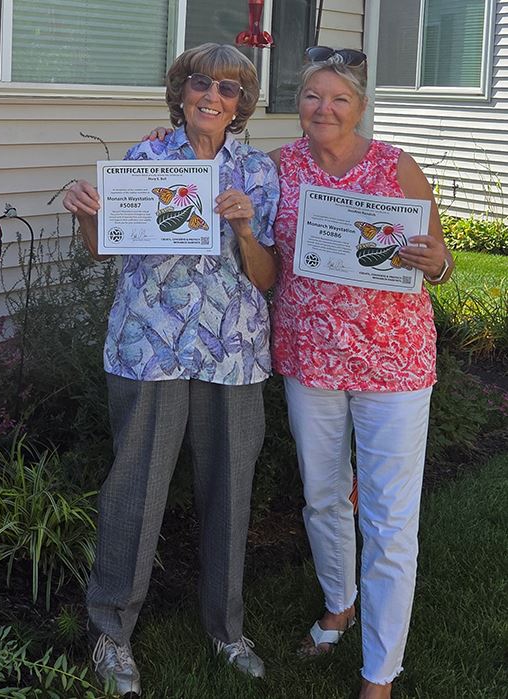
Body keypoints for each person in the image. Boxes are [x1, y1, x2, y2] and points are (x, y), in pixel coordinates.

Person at [144, 45, 453, 698]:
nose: (324, 107)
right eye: (313, 95)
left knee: (391, 520)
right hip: (310, 359)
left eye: (339, 97)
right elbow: (269, 262)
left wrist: (437, 265)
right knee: (322, 497)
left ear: (360, 107)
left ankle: (379, 673)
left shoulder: (396, 167)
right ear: (299, 104)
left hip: (393, 364)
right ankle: (339, 603)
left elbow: (439, 255)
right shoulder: (282, 168)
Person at [62, 43, 279, 697]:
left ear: (242, 104)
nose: (213, 96)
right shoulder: (145, 160)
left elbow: (267, 278)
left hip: (232, 353)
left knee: (229, 492)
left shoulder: (259, 174)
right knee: (135, 490)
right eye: (200, 83)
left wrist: (245, 230)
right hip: (148, 348)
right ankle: (111, 636)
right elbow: (105, 250)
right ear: (181, 91)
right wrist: (88, 218)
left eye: (230, 89)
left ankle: (225, 628)